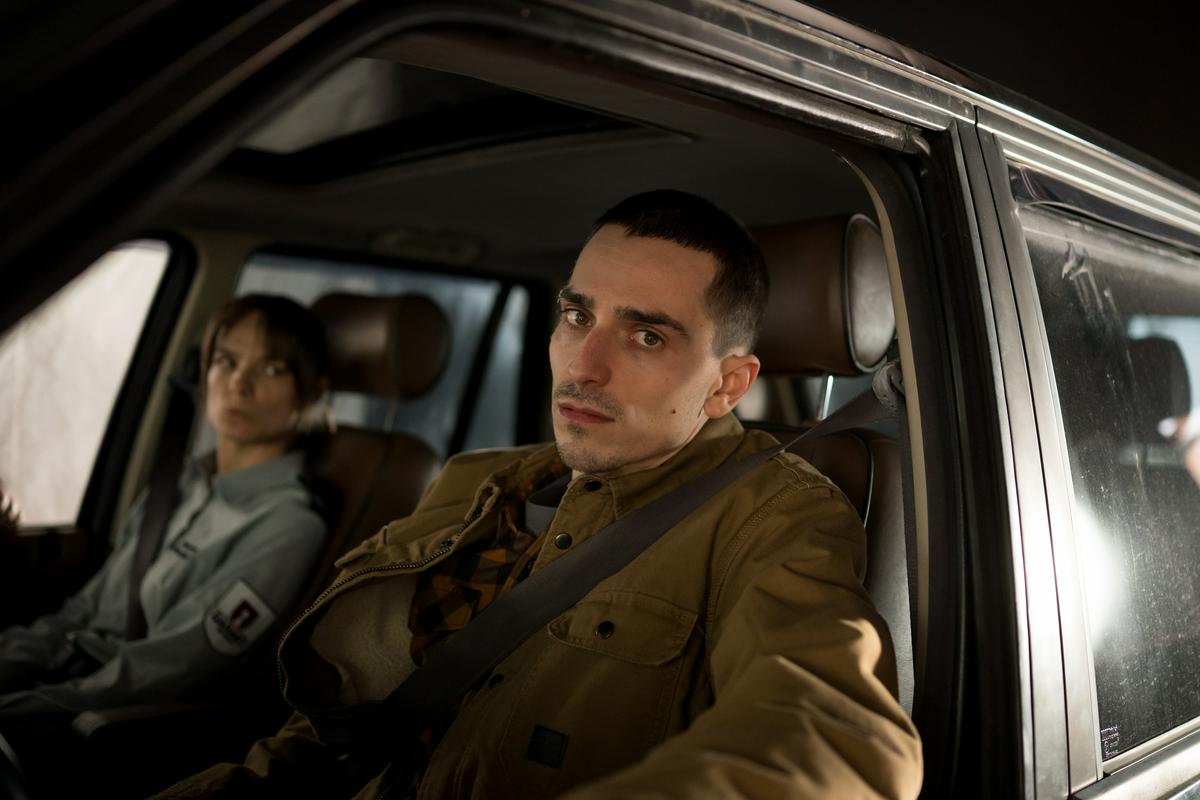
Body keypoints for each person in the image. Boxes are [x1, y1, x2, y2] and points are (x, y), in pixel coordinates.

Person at [159, 191, 922, 799]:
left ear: (728, 385)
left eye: (646, 336)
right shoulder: (475, 479)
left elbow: (836, 742)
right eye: (577, 315)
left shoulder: (772, 516)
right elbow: (337, 734)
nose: (582, 365)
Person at [0, 294, 331, 718]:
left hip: (111, 723)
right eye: (226, 361)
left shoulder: (290, 525)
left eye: (272, 369)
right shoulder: (177, 486)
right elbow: (81, 613)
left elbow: (171, 671)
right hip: (64, 680)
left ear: (311, 392)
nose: (239, 383)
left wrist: (22, 711)